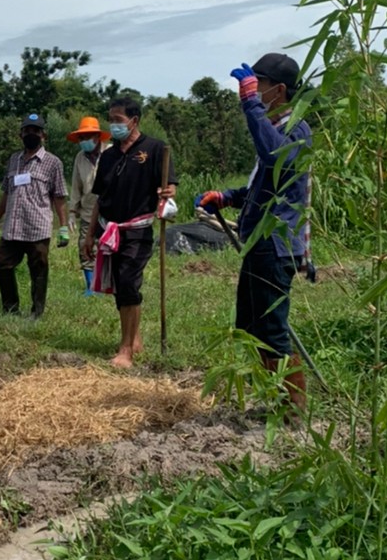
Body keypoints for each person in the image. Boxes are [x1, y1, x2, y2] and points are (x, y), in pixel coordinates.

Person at [196, 53, 312, 414]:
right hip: (262, 243)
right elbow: (267, 186)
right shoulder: (278, 125)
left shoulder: (295, 130)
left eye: (257, 85)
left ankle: (292, 408)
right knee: (251, 326)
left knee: (272, 328)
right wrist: (228, 198)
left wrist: (251, 108)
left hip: (277, 245)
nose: (252, 90)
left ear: (278, 90)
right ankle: (274, 398)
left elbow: (274, 155)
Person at [81, 97, 176, 367]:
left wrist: (168, 192)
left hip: (137, 229)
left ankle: (125, 350)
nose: (113, 124)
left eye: (118, 120)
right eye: (110, 119)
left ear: (134, 121)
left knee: (127, 282)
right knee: (119, 285)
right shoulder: (109, 156)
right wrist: (90, 235)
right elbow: (100, 198)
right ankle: (134, 337)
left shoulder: (155, 149)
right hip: (109, 230)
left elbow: (170, 185)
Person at [0, 113, 69, 319]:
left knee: (38, 271)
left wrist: (64, 226)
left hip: (37, 227)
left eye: (35, 131)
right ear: (20, 134)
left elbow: (59, 197)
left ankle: (36, 312)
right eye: (27, 131)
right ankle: (10, 309)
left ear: (43, 136)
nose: (31, 134)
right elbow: (6, 191)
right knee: (2, 265)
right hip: (12, 226)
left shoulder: (53, 163)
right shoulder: (14, 160)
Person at [66, 116, 110, 295]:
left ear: (97, 137)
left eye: (87, 137)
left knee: (109, 247)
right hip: (87, 211)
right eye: (81, 138)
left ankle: (108, 283)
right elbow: (76, 185)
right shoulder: (80, 158)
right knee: (86, 247)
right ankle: (91, 286)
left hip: (110, 211)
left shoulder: (111, 152)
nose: (84, 141)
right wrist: (71, 211)